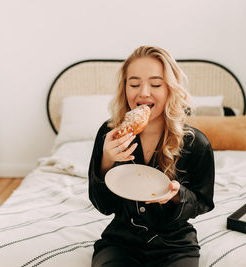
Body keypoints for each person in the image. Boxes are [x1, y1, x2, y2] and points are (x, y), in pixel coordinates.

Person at [89, 46, 215, 267]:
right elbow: (104, 206)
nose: (144, 92)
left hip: (175, 245)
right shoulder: (109, 134)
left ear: (170, 89)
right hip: (120, 242)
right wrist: (107, 161)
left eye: (156, 84)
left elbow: (203, 203)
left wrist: (176, 195)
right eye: (134, 84)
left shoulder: (196, 143)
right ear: (124, 88)